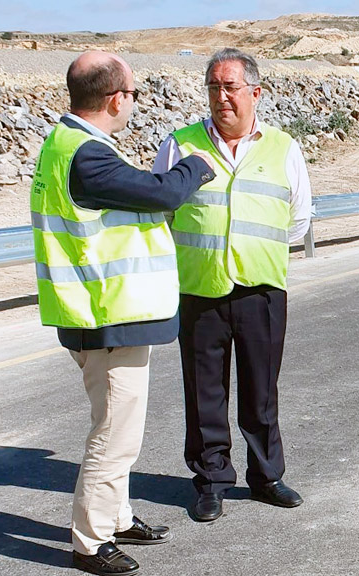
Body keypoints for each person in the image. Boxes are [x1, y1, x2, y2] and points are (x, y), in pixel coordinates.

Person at [31, 51, 215, 575]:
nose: (133, 103)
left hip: (103, 313)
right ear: (116, 99)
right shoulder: (87, 156)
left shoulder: (67, 143)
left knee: (120, 428)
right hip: (105, 317)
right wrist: (196, 164)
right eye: (133, 94)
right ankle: (91, 542)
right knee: (113, 434)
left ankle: (117, 517)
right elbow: (162, 192)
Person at [153, 47, 312, 522]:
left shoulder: (283, 147)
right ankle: (211, 481)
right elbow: (160, 211)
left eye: (230, 87)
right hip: (200, 289)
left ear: (255, 93)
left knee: (261, 390)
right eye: (213, 87)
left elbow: (299, 218)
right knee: (204, 392)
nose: (221, 97)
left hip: (261, 290)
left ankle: (267, 477)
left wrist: (254, 250)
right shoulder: (180, 145)